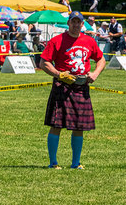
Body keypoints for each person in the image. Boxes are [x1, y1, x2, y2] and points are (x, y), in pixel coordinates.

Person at [39, 11, 106, 170]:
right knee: (56, 124)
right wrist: (58, 74)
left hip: (81, 86)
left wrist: (95, 74)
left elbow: (101, 59)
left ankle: (76, 163)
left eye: (79, 22)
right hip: (62, 86)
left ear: (83, 24)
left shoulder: (89, 41)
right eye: (73, 22)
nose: (76, 25)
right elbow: (44, 63)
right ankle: (53, 162)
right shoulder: (57, 41)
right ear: (68, 23)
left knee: (79, 126)